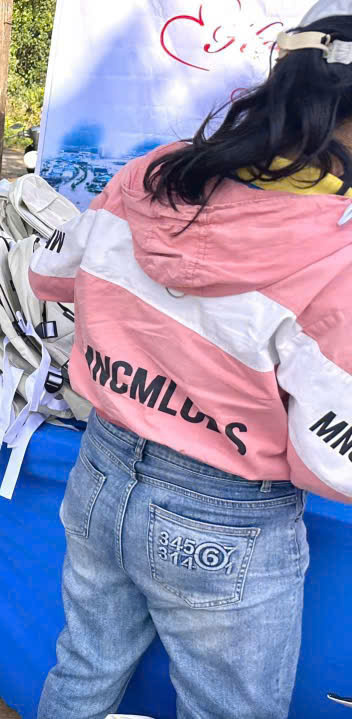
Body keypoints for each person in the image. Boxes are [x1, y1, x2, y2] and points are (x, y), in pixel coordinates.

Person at [32, 2, 352, 718]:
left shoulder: (155, 171)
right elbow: (335, 460)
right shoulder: (338, 251)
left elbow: (48, 275)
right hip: (226, 514)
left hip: (102, 467)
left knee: (82, 667)